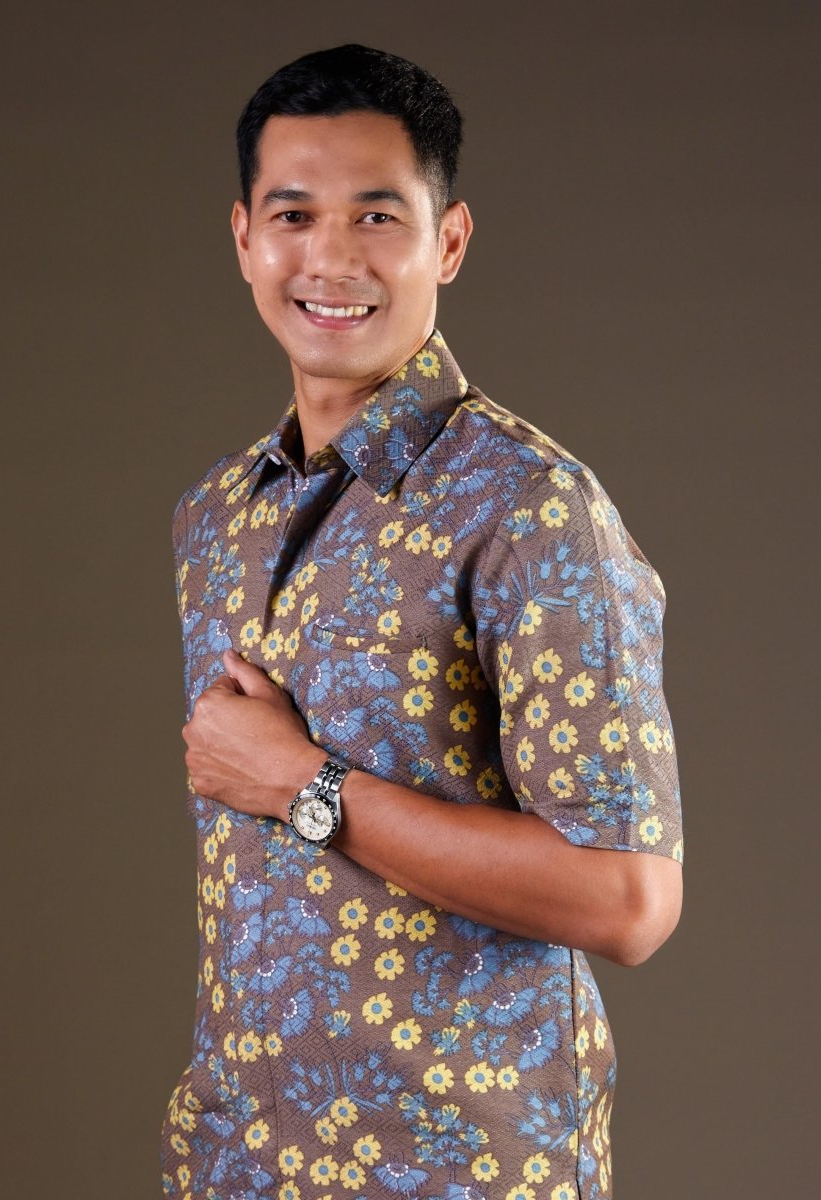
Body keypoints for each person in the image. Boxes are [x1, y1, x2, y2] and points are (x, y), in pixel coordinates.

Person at [163, 44, 683, 1200]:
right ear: (243, 237)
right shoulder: (217, 518)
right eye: (293, 214)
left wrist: (305, 785)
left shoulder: (527, 507)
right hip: (243, 1162)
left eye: (377, 215)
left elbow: (629, 900)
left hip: (461, 1169)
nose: (331, 256)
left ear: (447, 242)